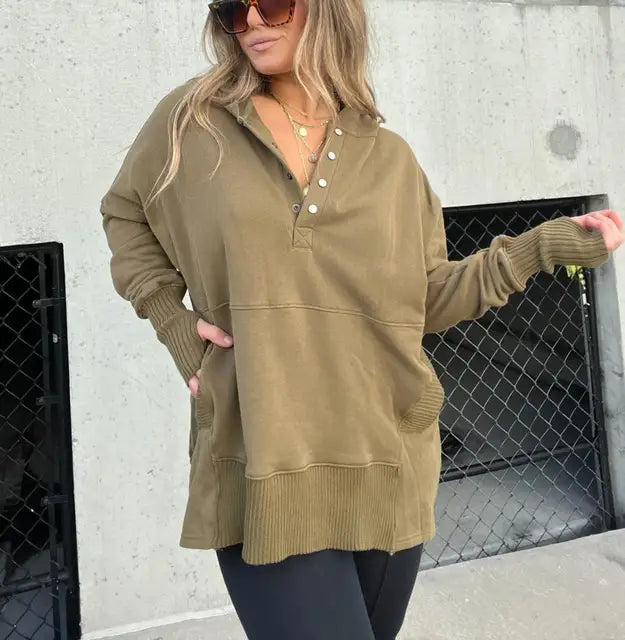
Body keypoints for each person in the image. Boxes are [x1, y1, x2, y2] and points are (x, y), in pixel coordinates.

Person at [99, 1, 623, 638]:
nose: (253, 22)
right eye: (234, 10)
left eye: (274, 4)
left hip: (387, 462)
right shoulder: (193, 121)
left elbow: (425, 301)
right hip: (264, 460)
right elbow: (124, 212)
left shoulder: (390, 159)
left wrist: (538, 248)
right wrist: (174, 324)